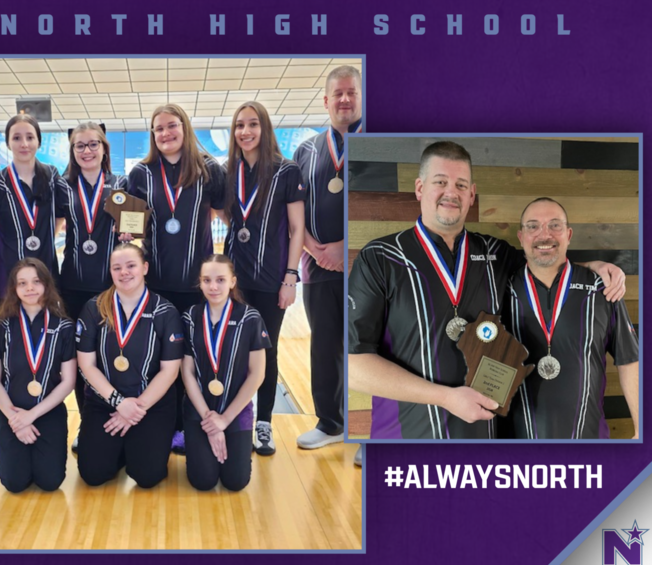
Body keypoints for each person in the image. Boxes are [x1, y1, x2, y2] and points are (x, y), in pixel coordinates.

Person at [347, 141, 627, 440]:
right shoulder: (380, 258)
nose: (451, 192)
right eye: (440, 182)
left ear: (472, 194)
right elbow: (353, 366)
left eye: (460, 185)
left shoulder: (495, 253)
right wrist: (445, 397)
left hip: (484, 442)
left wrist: (594, 266)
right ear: (419, 188)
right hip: (406, 443)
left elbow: (544, 261)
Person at [127, 104, 226, 453]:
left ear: (184, 128)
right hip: (155, 286)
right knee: (159, 359)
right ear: (152, 135)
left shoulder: (209, 169)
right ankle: (161, 424)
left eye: (172, 126)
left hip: (197, 286)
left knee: (193, 358)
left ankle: (190, 425)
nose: (165, 133)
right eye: (158, 128)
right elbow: (131, 228)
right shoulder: (141, 173)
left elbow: (227, 216)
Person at [502, 197, 639, 439]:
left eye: (555, 225)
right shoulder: (501, 289)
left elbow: (629, 360)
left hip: (589, 444)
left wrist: (641, 430)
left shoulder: (602, 287)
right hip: (518, 448)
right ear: (521, 237)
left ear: (569, 234)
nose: (544, 235)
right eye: (533, 226)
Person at [223, 102, 305, 456]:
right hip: (234, 281)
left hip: (272, 279)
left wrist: (290, 277)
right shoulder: (229, 171)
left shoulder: (286, 170)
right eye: (240, 125)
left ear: (264, 128)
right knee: (230, 351)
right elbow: (227, 216)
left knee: (265, 352)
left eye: (253, 124)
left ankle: (264, 422)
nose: (246, 131)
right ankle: (232, 418)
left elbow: (297, 228)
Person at [292, 65, 362, 453]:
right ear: (326, 100)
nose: (345, 99)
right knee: (324, 347)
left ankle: (370, 430)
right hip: (317, 268)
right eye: (338, 93)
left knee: (368, 348)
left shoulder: (380, 143)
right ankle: (330, 422)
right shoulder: (306, 150)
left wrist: (346, 249)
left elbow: (390, 206)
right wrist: (313, 248)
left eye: (351, 92)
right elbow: (294, 210)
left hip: (368, 270)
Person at [75, 242, 184, 488]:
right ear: (110, 272)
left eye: (131, 266)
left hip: (151, 404)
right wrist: (119, 403)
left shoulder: (165, 311)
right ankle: (122, 447)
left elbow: (170, 371)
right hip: (105, 402)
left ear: (145, 268)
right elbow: (86, 365)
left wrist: (135, 408)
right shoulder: (94, 308)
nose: (124, 272)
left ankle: (133, 446)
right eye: (117, 268)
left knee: (147, 476)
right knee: (93, 474)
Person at [57, 121, 128, 448]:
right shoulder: (63, 186)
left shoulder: (120, 183)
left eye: (93, 144)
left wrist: (130, 233)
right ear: (73, 152)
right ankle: (87, 423)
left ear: (104, 149)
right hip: (72, 285)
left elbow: (135, 227)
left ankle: (114, 418)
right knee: (78, 357)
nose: (87, 151)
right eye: (80, 145)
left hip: (110, 286)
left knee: (109, 355)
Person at [0, 259, 77, 492]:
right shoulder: (1, 326)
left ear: (47, 284)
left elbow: (68, 381)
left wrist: (32, 416)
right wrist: (16, 420)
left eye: (36, 281)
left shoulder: (64, 326)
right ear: (14, 288)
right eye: (22, 283)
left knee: (50, 482)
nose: (30, 288)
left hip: (47, 410)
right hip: (10, 412)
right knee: (14, 483)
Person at [181, 255, 269, 490]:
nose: (213, 286)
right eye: (206, 280)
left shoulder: (250, 318)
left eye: (220, 280)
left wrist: (224, 420)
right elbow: (187, 372)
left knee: (236, 481)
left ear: (232, 282)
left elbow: (257, 374)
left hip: (236, 411)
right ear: (200, 283)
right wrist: (209, 419)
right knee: (203, 481)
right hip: (199, 409)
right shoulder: (190, 317)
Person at [0, 114, 69, 310]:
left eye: (30, 137)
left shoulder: (52, 176)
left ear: (39, 142)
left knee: (47, 328)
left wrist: (46, 240)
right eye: (16, 138)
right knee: (11, 330)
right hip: (8, 280)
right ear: (8, 143)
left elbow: (59, 216)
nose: (24, 144)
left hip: (46, 276)